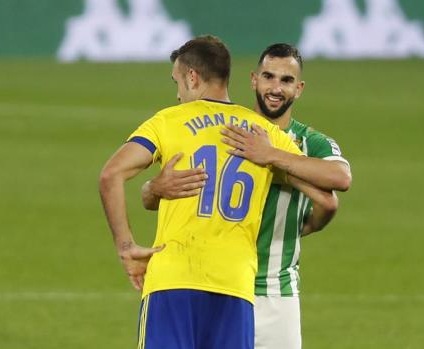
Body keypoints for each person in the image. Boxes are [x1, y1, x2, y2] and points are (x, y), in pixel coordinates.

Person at [98, 35, 306, 349]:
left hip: (173, 281)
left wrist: (126, 247)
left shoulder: (168, 121)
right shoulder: (262, 133)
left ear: (192, 77)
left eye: (177, 82)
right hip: (235, 287)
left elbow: (110, 175)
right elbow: (324, 186)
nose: (179, 94)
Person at [142, 43, 352, 349]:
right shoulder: (227, 128)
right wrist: (151, 188)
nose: (275, 88)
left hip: (276, 291)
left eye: (286, 80)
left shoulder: (312, 143)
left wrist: (271, 157)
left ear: (299, 88)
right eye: (268, 77)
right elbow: (163, 189)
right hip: (221, 284)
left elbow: (339, 181)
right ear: (254, 79)